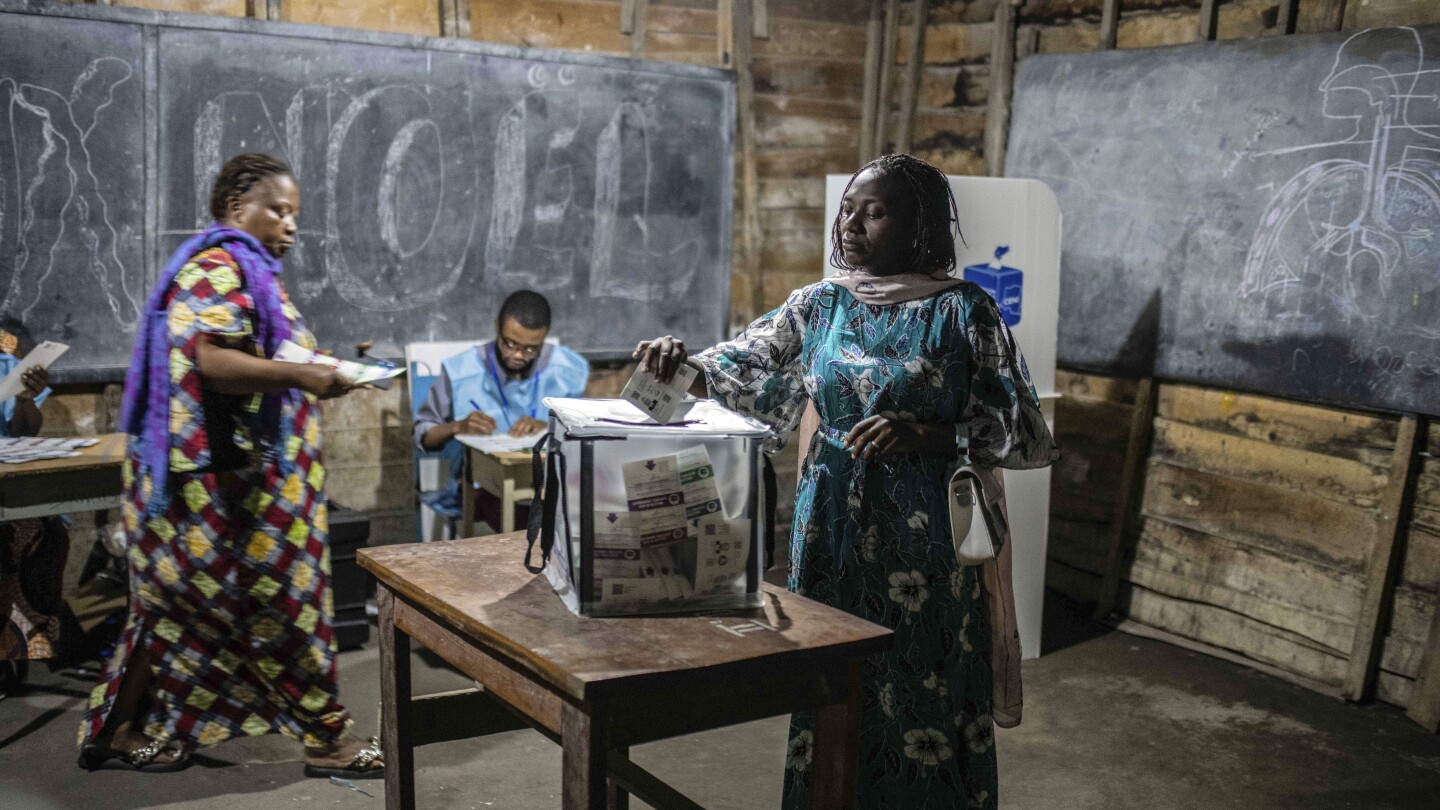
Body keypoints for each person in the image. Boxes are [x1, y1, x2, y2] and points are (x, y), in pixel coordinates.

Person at [634, 154, 1058, 809]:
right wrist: (672, 362)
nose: (852, 224)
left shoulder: (965, 312)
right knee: (830, 682)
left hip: (924, 541)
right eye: (848, 209)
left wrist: (931, 437)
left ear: (917, 224)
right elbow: (733, 370)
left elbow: (1026, 431)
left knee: (924, 680)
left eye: (874, 211)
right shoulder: (819, 305)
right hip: (829, 525)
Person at [77, 153, 383, 778]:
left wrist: (327, 366)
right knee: (284, 609)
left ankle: (114, 730)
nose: (290, 224)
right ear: (236, 208)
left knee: (169, 607)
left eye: (296, 213)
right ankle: (328, 739)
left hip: (242, 485)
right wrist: (303, 374)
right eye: (278, 209)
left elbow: (260, 349)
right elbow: (210, 360)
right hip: (218, 493)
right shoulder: (215, 267)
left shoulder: (253, 274)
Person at [413, 290, 589, 524]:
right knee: (519, 521)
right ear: (497, 327)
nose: (518, 355)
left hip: (548, 481)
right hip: (483, 484)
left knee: (583, 508)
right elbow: (424, 437)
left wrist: (548, 425)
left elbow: (581, 431)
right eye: (510, 343)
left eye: (530, 349)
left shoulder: (567, 369)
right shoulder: (461, 370)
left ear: (543, 338)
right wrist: (458, 426)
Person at [0, 324, 65, 693]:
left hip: (7, 482)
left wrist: (24, 399)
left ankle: (18, 651)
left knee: (44, 531)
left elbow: (24, 431)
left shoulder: (6, 356)